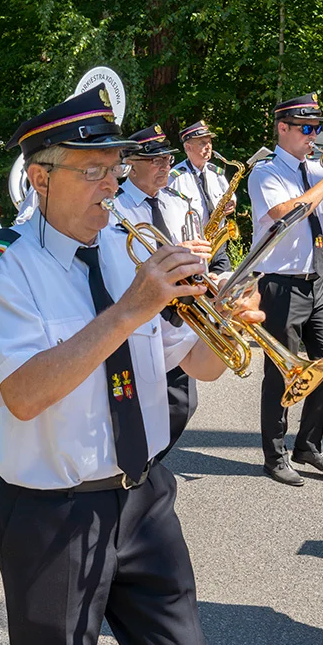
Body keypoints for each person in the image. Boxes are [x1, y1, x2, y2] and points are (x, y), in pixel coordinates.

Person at [0, 84, 264, 645]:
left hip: (146, 499)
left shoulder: (127, 246)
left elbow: (197, 365)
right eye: (93, 171)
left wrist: (225, 323)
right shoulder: (3, 266)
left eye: (115, 168)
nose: (112, 185)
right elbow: (25, 396)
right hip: (54, 512)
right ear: (39, 177)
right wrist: (132, 307)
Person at [246, 93, 323, 486]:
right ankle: (274, 455)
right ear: (283, 128)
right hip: (280, 283)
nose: (314, 136)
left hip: (319, 279)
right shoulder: (265, 172)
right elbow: (288, 214)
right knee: (282, 373)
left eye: (317, 129)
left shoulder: (317, 171)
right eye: (307, 129)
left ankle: (308, 443)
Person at [115, 124, 213, 462]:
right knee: (136, 400)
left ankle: (146, 464)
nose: (164, 166)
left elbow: (194, 258)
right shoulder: (114, 207)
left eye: (167, 159)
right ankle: (131, 467)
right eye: (154, 159)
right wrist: (172, 254)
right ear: (132, 163)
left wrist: (200, 263)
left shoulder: (179, 203)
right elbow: (115, 261)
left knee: (182, 403)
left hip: (178, 318)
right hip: (136, 315)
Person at [168, 120, 233, 275]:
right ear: (188, 147)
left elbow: (230, 196)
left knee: (226, 290)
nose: (209, 146)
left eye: (209, 142)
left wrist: (231, 204)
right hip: (194, 250)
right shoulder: (175, 178)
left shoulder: (216, 173)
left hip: (218, 247)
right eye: (203, 143)